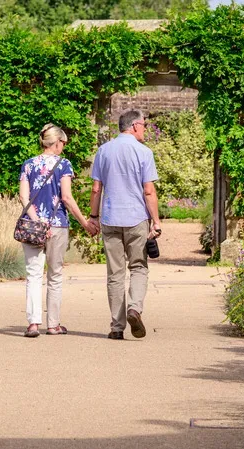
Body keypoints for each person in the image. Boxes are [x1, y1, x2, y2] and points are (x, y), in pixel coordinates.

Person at [19, 123, 98, 338]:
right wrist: (85, 223)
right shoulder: (64, 165)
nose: (64, 147)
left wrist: (37, 221)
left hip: (33, 227)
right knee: (54, 275)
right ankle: (52, 324)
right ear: (56, 142)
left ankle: (33, 323)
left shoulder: (28, 165)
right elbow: (66, 198)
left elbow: (23, 197)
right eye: (63, 143)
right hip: (57, 225)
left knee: (33, 274)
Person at [88, 110, 161, 340]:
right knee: (138, 267)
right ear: (135, 126)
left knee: (115, 274)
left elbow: (96, 188)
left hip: (110, 218)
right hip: (136, 219)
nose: (146, 130)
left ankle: (116, 327)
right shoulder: (144, 152)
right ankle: (134, 309)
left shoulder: (103, 151)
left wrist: (93, 216)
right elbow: (148, 191)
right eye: (145, 125)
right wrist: (156, 221)